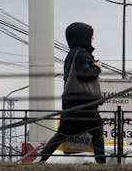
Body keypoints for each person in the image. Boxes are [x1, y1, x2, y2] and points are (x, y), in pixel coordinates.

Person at [37, 22, 105, 163]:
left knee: (63, 133)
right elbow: (84, 74)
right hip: (84, 102)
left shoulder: (71, 54)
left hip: (70, 101)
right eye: (90, 36)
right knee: (97, 131)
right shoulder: (82, 53)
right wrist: (97, 67)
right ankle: (102, 164)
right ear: (83, 37)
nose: (92, 39)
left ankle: (41, 159)